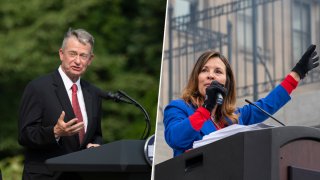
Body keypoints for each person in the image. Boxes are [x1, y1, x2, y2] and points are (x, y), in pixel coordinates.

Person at [163, 45, 319, 157]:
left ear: (227, 82)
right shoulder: (179, 108)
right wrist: (206, 108)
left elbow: (268, 104)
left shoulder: (235, 118)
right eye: (204, 70)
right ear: (197, 78)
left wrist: (297, 73)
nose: (210, 75)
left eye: (218, 71)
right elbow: (176, 139)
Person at [18, 28, 103, 180]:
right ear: (61, 54)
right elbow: (25, 135)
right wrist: (55, 132)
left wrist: (95, 146)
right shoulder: (38, 88)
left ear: (90, 60)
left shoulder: (93, 93)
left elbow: (96, 134)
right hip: (45, 175)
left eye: (83, 55)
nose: (77, 61)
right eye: (72, 54)